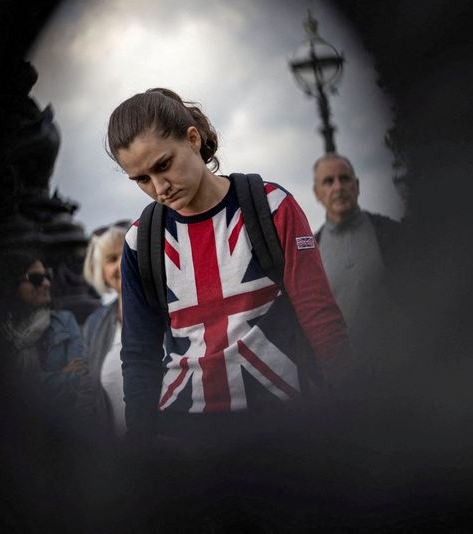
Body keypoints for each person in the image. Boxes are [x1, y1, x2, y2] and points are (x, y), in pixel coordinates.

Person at [107, 88, 350, 442]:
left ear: (192, 139)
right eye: (141, 179)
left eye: (163, 165)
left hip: (285, 425)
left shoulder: (272, 206)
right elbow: (139, 354)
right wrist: (142, 447)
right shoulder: (138, 242)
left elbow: (320, 315)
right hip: (186, 438)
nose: (159, 187)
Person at [312, 153, 406, 374]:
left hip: (399, 372)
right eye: (328, 181)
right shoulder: (311, 251)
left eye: (344, 179)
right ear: (317, 193)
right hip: (343, 385)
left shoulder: (393, 235)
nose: (338, 187)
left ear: (357, 185)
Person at [0, 251, 87, 413]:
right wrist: (60, 374)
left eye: (48, 276)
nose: (46, 283)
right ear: (13, 284)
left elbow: (79, 378)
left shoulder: (64, 321)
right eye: (36, 279)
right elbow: (3, 388)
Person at [77, 220, 131, 438]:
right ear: (100, 271)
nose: (121, 264)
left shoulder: (170, 308)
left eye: (127, 253)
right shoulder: (94, 325)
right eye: (111, 259)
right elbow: (87, 392)